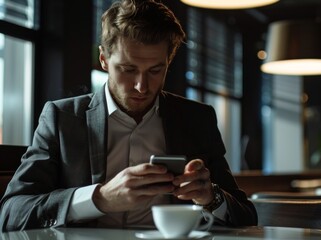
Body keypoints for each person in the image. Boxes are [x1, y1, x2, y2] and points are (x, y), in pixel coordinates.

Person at [0, 0, 257, 231]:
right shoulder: (61, 118)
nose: (141, 86)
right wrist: (98, 198)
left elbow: (246, 216)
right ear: (103, 59)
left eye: (156, 70)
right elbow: (11, 211)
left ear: (169, 62)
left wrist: (211, 197)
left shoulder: (197, 118)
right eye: (127, 69)